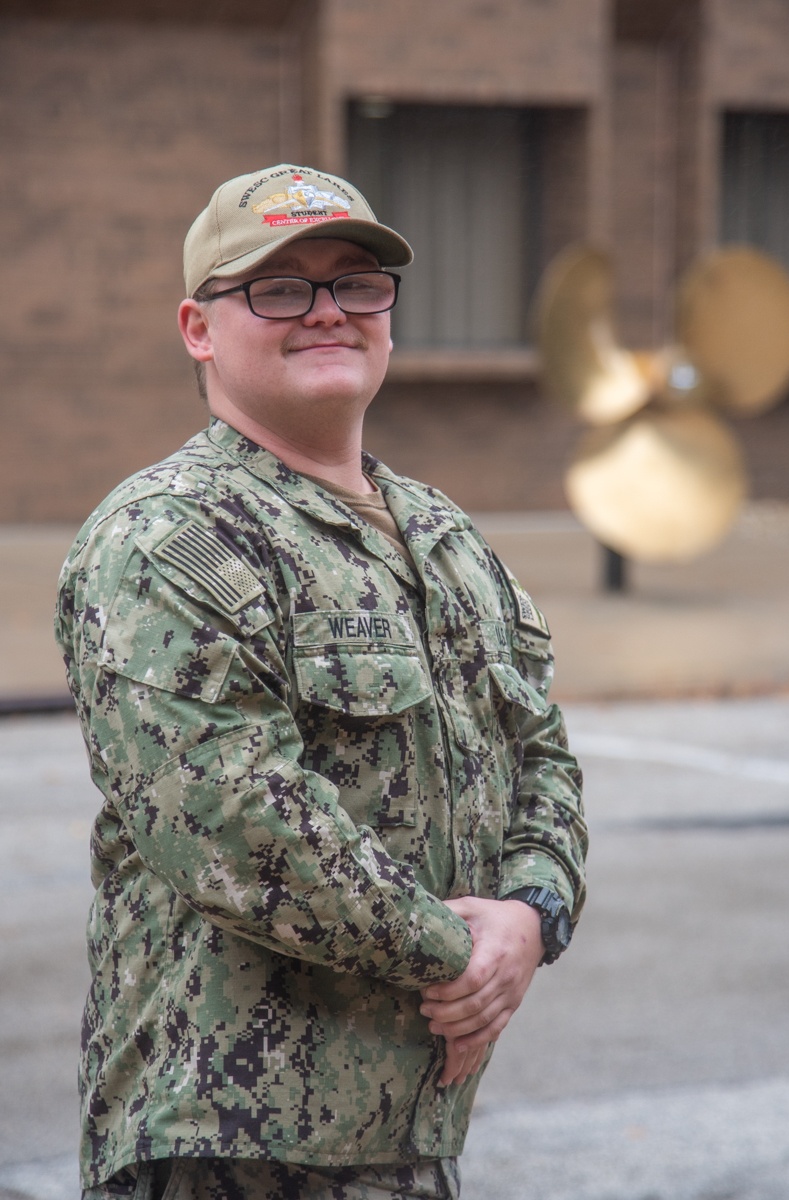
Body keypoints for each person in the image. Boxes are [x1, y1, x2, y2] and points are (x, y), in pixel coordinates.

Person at [55, 163, 587, 1200]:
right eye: (280, 287)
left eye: (356, 283)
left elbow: (543, 750)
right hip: (225, 1144)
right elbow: (239, 820)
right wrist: (463, 961)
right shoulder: (166, 538)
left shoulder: (444, 533)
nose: (329, 312)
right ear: (199, 328)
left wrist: (532, 912)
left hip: (407, 1134)